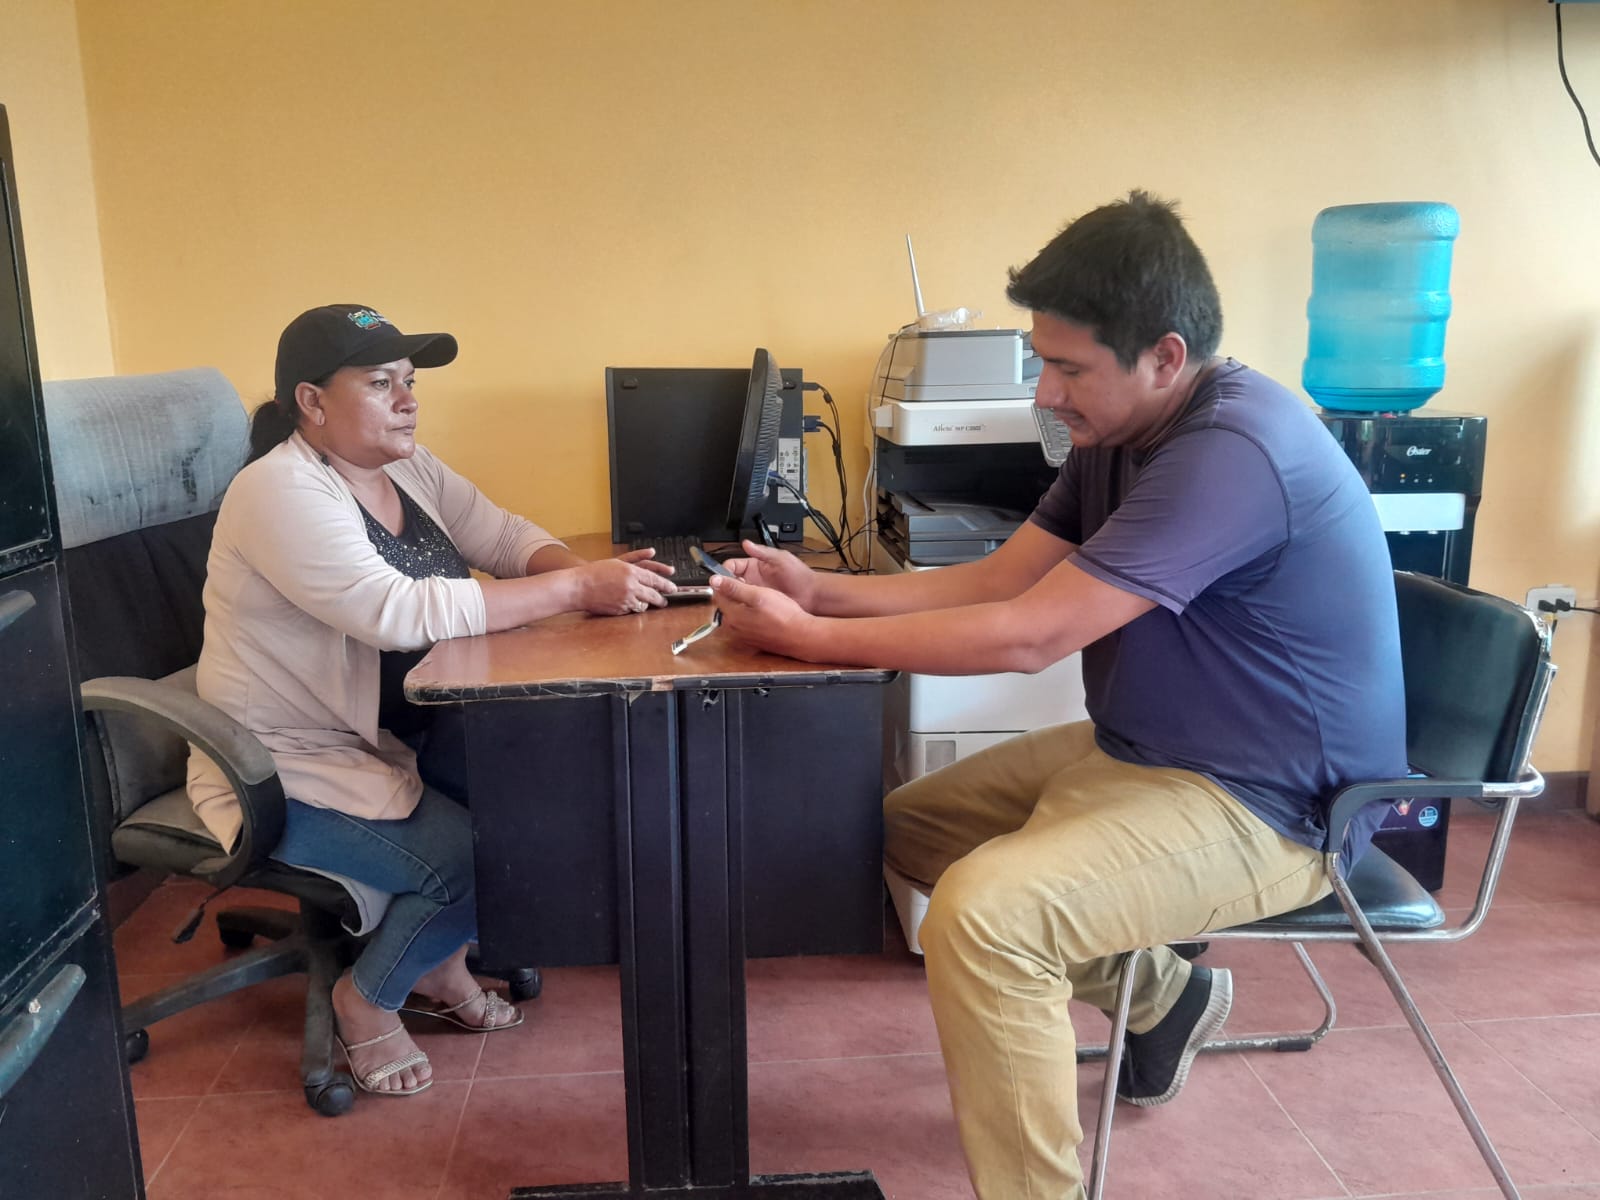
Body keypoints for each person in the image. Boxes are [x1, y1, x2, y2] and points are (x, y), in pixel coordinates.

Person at [706, 193, 1407, 1198]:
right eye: (1042, 361)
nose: (1047, 391)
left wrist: (810, 640)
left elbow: (1031, 634)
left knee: (989, 919)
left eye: (1069, 368)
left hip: (1275, 804)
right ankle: (1164, 1000)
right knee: (894, 831)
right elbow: (1004, 578)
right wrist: (824, 594)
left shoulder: (1232, 452)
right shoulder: (1116, 435)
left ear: (1165, 356)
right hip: (1148, 754)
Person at [186, 303, 676, 1098]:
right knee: (490, 856)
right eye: (381, 383)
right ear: (312, 401)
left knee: (549, 809)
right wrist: (577, 589)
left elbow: (504, 537)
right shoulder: (277, 489)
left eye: (410, 382)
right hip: (283, 766)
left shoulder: (405, 470)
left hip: (404, 733)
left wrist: (592, 581)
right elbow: (396, 610)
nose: (409, 401)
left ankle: (440, 965)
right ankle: (367, 1000)